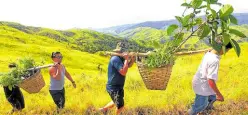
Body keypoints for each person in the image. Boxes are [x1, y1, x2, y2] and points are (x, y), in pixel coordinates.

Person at [188, 42, 233, 115]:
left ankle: (206, 110)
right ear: (222, 48)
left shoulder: (209, 53)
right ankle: (191, 113)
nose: (226, 52)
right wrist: (219, 94)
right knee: (201, 105)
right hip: (202, 86)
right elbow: (211, 80)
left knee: (212, 97)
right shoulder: (214, 60)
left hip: (199, 81)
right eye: (227, 50)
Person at [98, 42, 135, 114]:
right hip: (113, 87)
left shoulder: (121, 58)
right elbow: (123, 72)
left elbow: (127, 66)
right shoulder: (115, 59)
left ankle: (103, 109)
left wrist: (132, 60)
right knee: (120, 106)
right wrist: (127, 59)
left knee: (115, 101)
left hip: (118, 86)